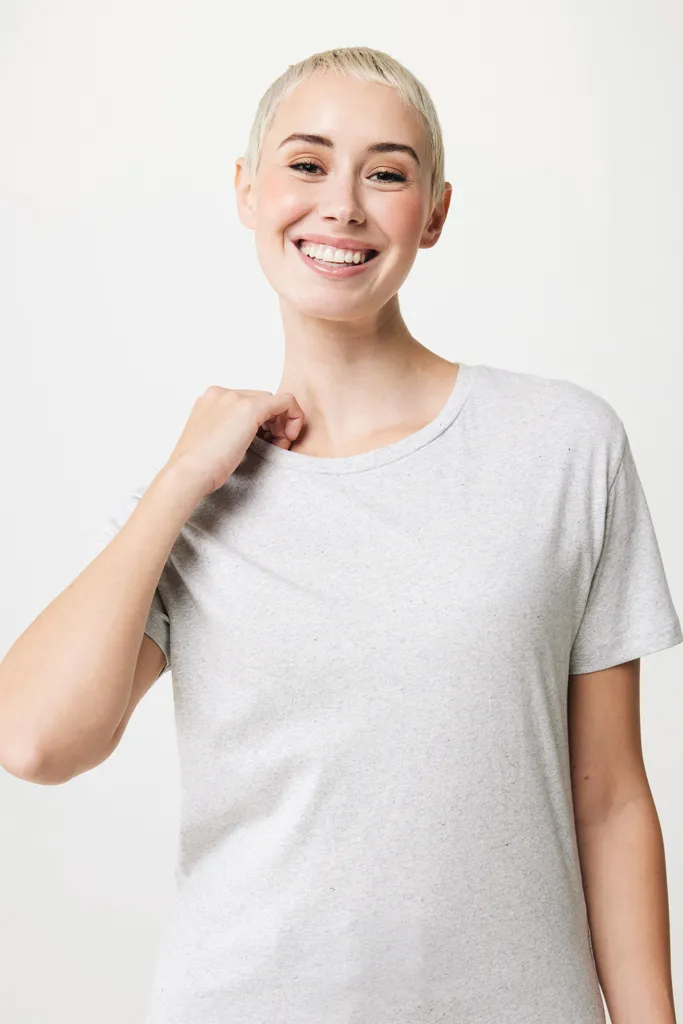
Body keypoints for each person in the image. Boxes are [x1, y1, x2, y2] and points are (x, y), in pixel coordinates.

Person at [0, 45, 680, 1024]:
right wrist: (177, 484)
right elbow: (32, 741)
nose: (343, 205)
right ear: (247, 191)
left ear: (434, 212)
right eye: (307, 164)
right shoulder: (196, 497)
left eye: (387, 174)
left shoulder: (562, 447)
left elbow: (610, 797)